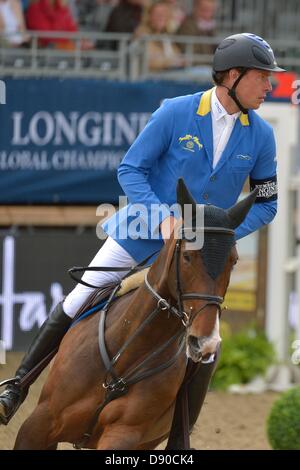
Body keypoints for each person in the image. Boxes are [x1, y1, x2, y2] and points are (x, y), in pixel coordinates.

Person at [0, 33, 284, 448]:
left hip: (197, 256)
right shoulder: (176, 112)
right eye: (262, 77)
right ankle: (17, 387)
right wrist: (165, 217)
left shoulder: (261, 135)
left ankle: (179, 439)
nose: (270, 86)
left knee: (208, 343)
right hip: (142, 234)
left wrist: (214, 237)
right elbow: (130, 170)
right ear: (233, 76)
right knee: (82, 296)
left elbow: (267, 203)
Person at [134, 1, 184, 72]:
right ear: (149, 16)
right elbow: (151, 61)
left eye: (164, 14)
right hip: (149, 78)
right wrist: (170, 62)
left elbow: (178, 56)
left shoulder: (166, 35)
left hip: (168, 76)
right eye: (157, 14)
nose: (161, 17)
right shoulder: (141, 33)